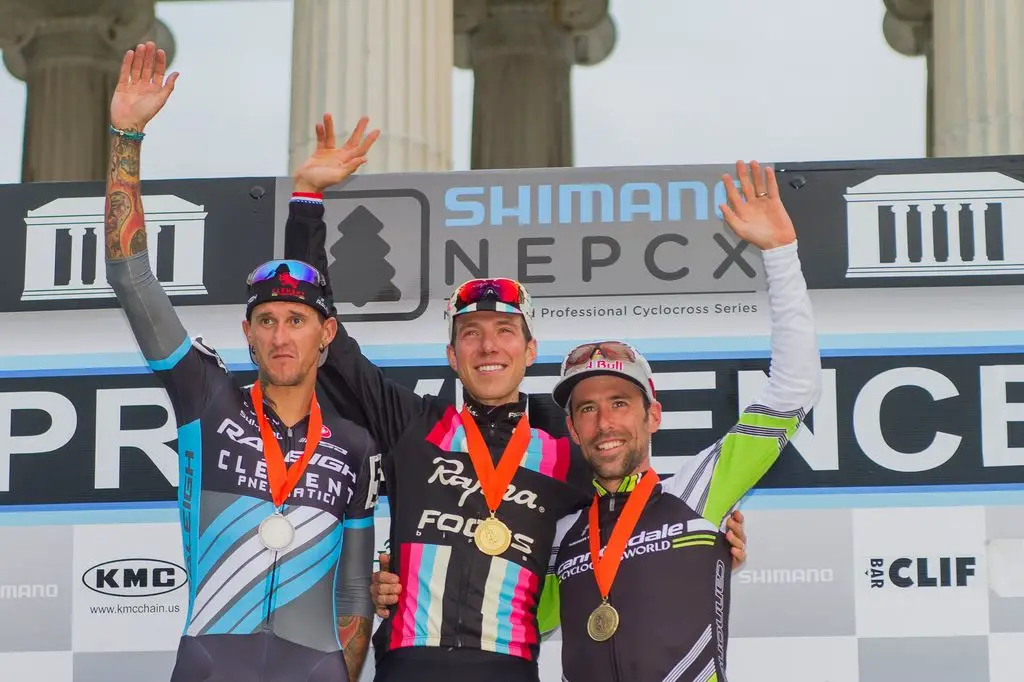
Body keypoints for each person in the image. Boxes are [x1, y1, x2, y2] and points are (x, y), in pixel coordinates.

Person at [282, 115, 749, 682]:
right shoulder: (413, 421)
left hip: (510, 667)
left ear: (530, 350)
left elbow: (635, 502)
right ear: (452, 356)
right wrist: (306, 203)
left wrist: (706, 542)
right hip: (410, 663)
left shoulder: (565, 435)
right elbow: (325, 338)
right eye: (471, 333)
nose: (488, 346)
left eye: (505, 332)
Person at [103, 42, 379, 682]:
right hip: (209, 661)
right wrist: (126, 136)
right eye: (267, 321)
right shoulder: (206, 394)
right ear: (248, 334)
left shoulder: (358, 444)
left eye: (298, 321)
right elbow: (131, 277)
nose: (282, 336)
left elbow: (357, 593)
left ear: (325, 333)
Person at [543, 161, 822, 681]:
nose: (604, 422)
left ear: (654, 415)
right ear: (573, 429)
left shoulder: (699, 490)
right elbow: (500, 621)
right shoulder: (561, 534)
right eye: (587, 408)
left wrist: (780, 254)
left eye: (620, 403)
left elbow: (794, 388)